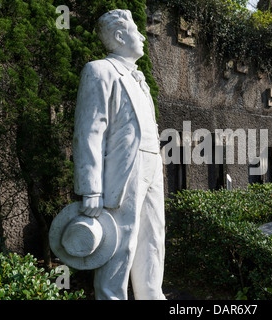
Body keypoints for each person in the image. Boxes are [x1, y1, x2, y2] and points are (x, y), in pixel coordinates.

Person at [73, 9, 165, 300]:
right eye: (136, 31)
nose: (142, 37)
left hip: (151, 162)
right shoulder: (99, 70)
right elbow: (89, 132)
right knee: (119, 241)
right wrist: (90, 189)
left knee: (153, 238)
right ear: (119, 36)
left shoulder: (140, 80)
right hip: (124, 170)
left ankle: (152, 294)